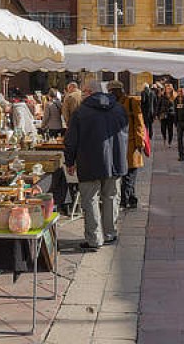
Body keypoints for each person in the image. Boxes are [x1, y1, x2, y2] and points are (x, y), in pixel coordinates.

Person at [64, 80, 128, 250]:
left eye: (85, 91)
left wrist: (69, 161)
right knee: (112, 197)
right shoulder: (119, 109)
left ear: (91, 92)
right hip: (115, 161)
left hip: (89, 161)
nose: (83, 94)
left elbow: (70, 141)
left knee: (90, 199)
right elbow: (124, 134)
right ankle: (110, 233)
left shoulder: (81, 112)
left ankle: (94, 239)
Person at [107, 80, 147, 209]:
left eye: (112, 91)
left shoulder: (132, 101)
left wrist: (140, 142)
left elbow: (139, 122)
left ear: (119, 90)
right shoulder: (112, 104)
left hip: (132, 144)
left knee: (130, 173)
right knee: (125, 173)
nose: (111, 94)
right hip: (119, 143)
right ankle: (132, 199)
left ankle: (124, 200)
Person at [157, 83, 176, 148]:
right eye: (167, 88)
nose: (168, 89)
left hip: (171, 115)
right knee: (163, 129)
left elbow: (175, 106)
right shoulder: (162, 96)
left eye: (169, 88)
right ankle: (164, 138)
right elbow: (158, 105)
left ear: (171, 89)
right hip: (163, 114)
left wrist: (174, 112)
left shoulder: (174, 96)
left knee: (170, 129)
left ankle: (169, 142)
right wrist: (158, 114)